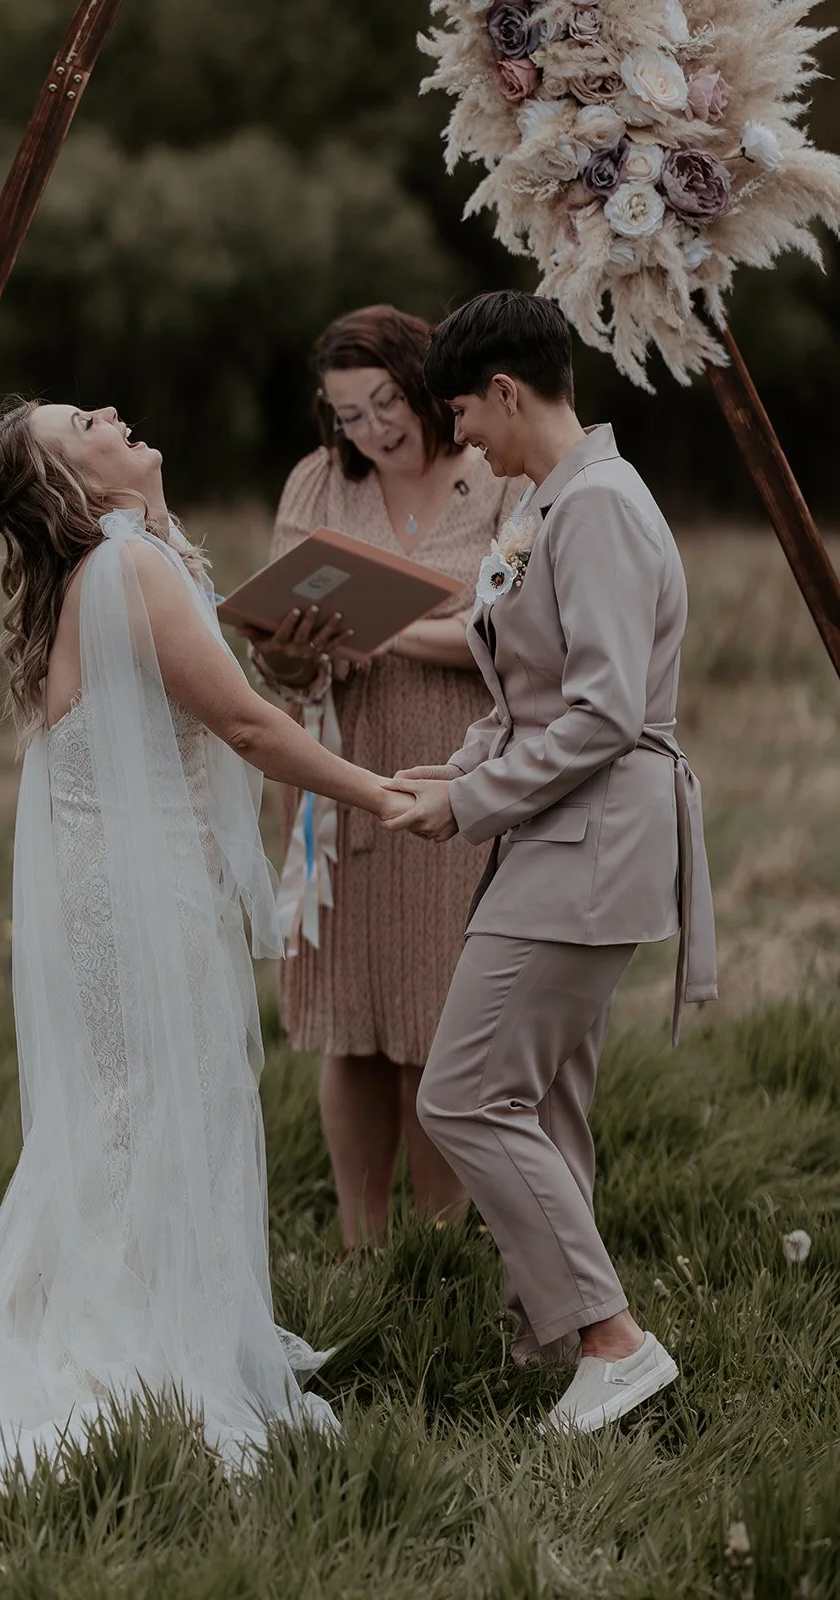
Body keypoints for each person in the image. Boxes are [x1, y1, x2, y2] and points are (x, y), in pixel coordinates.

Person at [0, 400, 414, 1516]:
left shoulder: (115, 569)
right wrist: (386, 794)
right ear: (67, 484)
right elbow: (240, 727)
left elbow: (213, 714)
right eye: (82, 420)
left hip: (118, 888)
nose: (114, 413)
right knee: (163, 1103)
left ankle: (132, 1321)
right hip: (144, 896)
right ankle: (138, 1356)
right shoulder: (127, 564)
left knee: (132, 1111)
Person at [385, 291, 717, 1433]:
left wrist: (470, 803)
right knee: (542, 1096)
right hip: (558, 830)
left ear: (509, 393)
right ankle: (551, 1337)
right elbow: (531, 694)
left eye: (464, 414)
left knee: (465, 1092)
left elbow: (603, 712)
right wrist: (450, 769)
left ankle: (611, 1343)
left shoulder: (597, 511)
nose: (462, 438)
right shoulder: (549, 503)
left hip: (592, 839)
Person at [244, 305, 524, 1251]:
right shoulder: (317, 485)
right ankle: (364, 1249)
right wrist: (291, 653)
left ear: (421, 382)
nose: (369, 430)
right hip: (340, 769)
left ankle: (441, 1247)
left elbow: (517, 630)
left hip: (456, 771)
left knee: (436, 1025)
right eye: (346, 414)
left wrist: (387, 627)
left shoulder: (493, 477)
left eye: (382, 403)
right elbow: (278, 667)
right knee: (354, 1025)